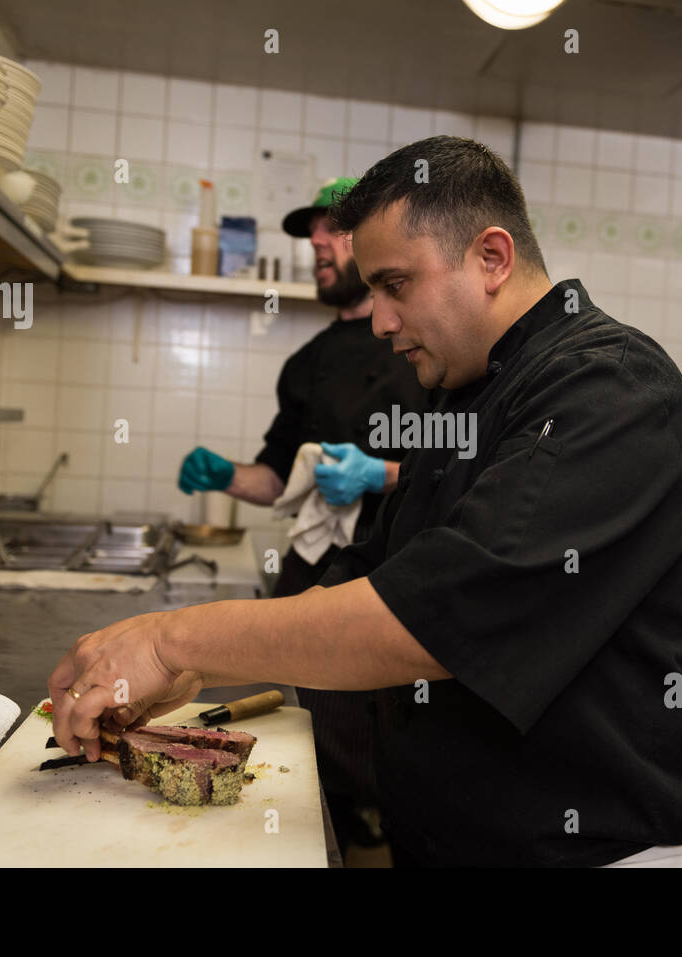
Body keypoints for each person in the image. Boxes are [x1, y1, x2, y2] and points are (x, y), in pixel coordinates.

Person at [51, 136, 682, 867]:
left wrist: (174, 641)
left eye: (395, 285)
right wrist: (198, 672)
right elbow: (373, 568)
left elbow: (438, 617)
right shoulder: (469, 394)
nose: (380, 321)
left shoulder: (612, 390)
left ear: (492, 257)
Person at [176, 176, 430, 856]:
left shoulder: (427, 343)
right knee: (319, 741)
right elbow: (277, 477)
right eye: (313, 233)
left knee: (402, 754)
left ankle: (376, 833)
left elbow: (471, 468)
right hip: (319, 573)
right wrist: (227, 475)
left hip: (406, 577)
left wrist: (382, 474)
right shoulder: (306, 363)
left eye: (331, 230)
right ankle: (334, 833)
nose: (315, 242)